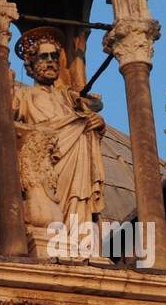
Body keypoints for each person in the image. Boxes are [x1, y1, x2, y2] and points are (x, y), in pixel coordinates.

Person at [13, 27, 106, 230]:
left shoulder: (66, 95)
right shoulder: (24, 95)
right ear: (31, 64)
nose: (50, 62)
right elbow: (7, 121)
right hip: (49, 160)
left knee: (78, 197)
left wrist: (97, 123)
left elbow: (92, 107)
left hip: (77, 155)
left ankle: (78, 233)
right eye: (43, 57)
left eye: (54, 57)